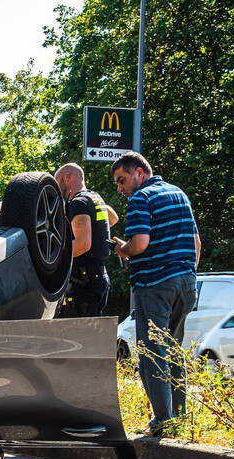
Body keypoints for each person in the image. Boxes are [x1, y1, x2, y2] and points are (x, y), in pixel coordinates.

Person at [111, 152, 201, 437]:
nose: (120, 188)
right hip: (186, 282)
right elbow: (197, 242)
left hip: (155, 284)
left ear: (140, 173)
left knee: (152, 353)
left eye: (122, 180)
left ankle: (163, 421)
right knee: (174, 350)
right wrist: (185, 270)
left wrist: (121, 249)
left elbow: (139, 244)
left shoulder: (141, 198)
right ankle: (180, 417)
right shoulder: (178, 194)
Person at [54, 163, 120, 317]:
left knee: (79, 335)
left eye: (57, 181)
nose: (56, 187)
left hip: (84, 283)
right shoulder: (94, 197)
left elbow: (82, 245)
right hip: (98, 277)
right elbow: (113, 218)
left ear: (68, 177)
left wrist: (55, 260)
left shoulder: (78, 203)